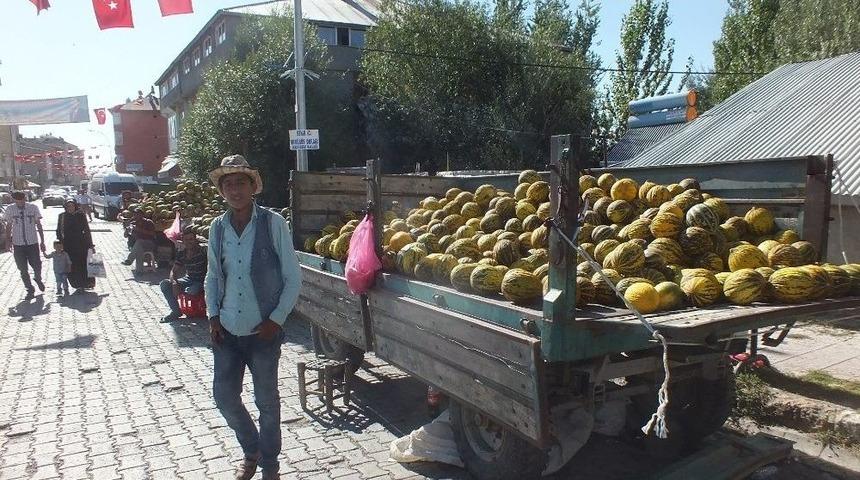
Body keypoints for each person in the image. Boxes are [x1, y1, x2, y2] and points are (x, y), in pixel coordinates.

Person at [204, 155, 301, 480]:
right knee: (225, 398)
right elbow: (213, 276)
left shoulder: (273, 223)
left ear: (252, 187)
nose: (234, 189)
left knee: (267, 403)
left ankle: (269, 466)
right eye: (228, 184)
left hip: (263, 332)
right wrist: (213, 315)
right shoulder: (217, 228)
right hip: (227, 330)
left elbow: (293, 277)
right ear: (222, 190)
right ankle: (251, 449)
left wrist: (277, 319)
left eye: (240, 182)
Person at [3, 191, 46, 300]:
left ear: (25, 198)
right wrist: (8, 241)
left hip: (32, 242)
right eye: (17, 199)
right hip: (18, 244)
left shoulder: (33, 208)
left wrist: (42, 241)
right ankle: (29, 289)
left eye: (22, 199)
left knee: (37, 264)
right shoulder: (10, 209)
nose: (20, 201)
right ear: (14, 199)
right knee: (22, 268)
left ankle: (38, 278)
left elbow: (39, 225)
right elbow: (8, 226)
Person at [159, 226, 207, 323]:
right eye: (186, 240)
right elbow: (173, 271)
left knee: (191, 291)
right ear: (183, 241)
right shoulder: (182, 253)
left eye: (191, 239)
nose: (189, 242)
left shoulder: (203, 251)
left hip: (202, 281)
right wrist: (174, 283)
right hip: (188, 279)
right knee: (164, 284)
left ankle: (197, 310)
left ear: (195, 239)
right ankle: (176, 311)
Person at [57, 199, 94, 293]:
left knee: (83, 264)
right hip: (68, 245)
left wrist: (90, 244)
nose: (70, 208)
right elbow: (58, 231)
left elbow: (86, 229)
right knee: (71, 265)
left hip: (82, 244)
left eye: (72, 206)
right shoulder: (62, 216)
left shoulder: (80, 215)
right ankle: (76, 284)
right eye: (68, 206)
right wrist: (60, 244)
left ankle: (85, 283)